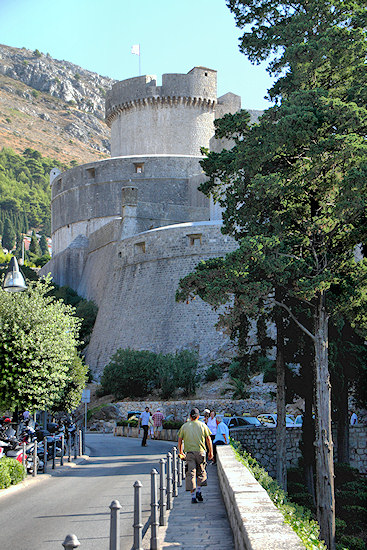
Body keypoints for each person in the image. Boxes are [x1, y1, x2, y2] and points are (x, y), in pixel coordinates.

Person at [178, 408, 213, 504]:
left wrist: (181, 451)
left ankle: (193, 496)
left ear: (190, 416)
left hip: (189, 453)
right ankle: (199, 490)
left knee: (191, 473)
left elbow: (180, 440)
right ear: (198, 416)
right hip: (201, 452)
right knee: (201, 472)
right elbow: (208, 439)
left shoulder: (184, 426)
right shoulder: (203, 425)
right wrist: (211, 452)